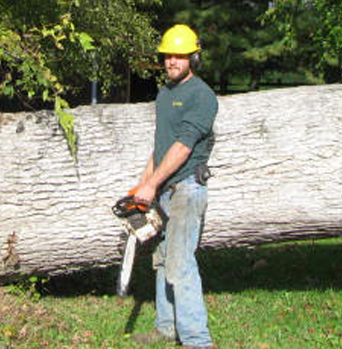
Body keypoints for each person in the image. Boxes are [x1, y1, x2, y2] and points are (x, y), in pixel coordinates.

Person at [130, 24, 218, 349]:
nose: (173, 61)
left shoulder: (202, 96)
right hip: (163, 189)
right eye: (169, 55)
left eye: (180, 55)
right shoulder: (165, 94)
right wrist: (142, 184)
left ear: (193, 57)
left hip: (186, 189)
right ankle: (166, 328)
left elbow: (182, 148)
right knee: (163, 259)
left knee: (181, 264)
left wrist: (152, 185)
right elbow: (162, 146)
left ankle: (197, 341)